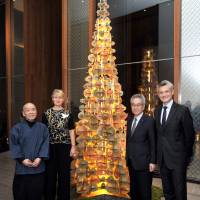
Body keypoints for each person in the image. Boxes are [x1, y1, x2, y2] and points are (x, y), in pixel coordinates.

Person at [154, 80, 195, 200]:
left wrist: (185, 158)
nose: (164, 94)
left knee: (179, 193)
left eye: (166, 91)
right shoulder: (157, 111)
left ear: (172, 92)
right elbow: (159, 135)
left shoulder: (182, 110)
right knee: (167, 192)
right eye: (161, 92)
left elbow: (190, 137)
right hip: (163, 161)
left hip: (178, 160)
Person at [10, 103, 49, 200]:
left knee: (37, 194)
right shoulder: (16, 128)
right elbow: (14, 145)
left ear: (36, 111)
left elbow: (45, 144)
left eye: (33, 109)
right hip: (22, 169)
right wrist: (22, 160)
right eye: (28, 110)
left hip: (38, 168)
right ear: (23, 113)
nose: (31, 112)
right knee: (20, 194)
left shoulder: (43, 128)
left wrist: (40, 158)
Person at [43, 89, 76, 200]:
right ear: (52, 98)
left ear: (63, 99)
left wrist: (73, 146)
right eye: (55, 97)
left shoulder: (67, 114)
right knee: (50, 175)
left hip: (65, 147)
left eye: (60, 97)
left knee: (64, 175)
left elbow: (71, 130)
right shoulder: (46, 113)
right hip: (50, 147)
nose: (58, 99)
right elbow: (43, 132)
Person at [126, 94, 156, 200]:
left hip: (144, 164)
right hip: (131, 163)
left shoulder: (149, 121)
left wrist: (153, 161)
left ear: (143, 106)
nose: (135, 107)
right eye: (133, 105)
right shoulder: (128, 120)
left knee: (145, 193)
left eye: (138, 105)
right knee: (134, 192)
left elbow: (153, 143)